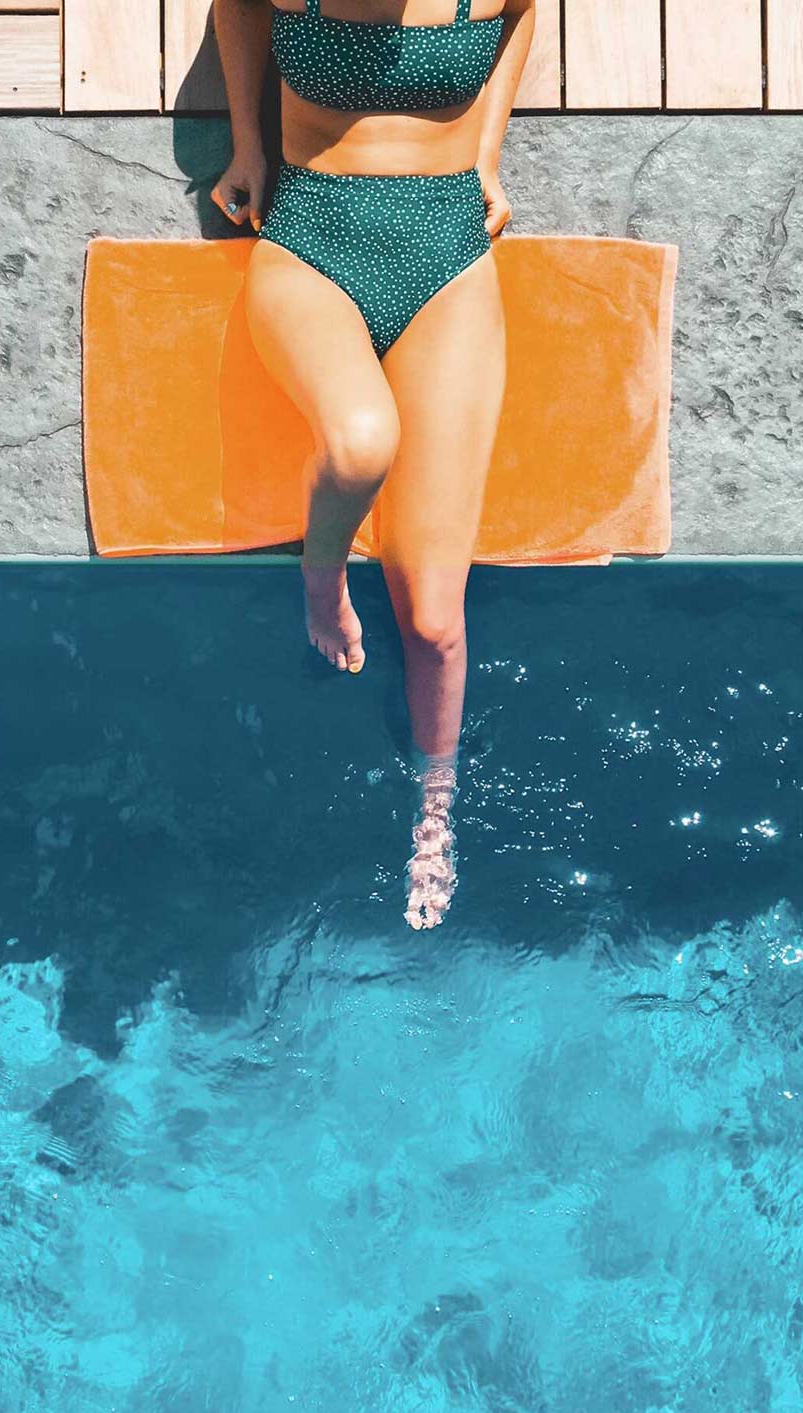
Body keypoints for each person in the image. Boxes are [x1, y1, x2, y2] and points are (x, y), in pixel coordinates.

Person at [211, 0, 536, 928]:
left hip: (448, 254)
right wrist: (246, 144)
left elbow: (522, 16)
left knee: (434, 622)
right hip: (312, 238)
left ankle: (436, 811)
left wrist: (486, 157)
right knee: (361, 441)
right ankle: (320, 577)